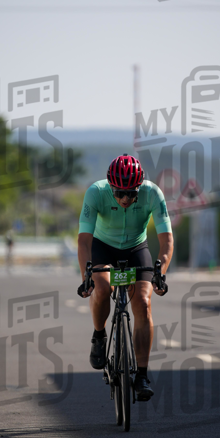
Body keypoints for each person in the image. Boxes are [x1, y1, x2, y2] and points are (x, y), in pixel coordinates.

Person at [77, 154, 173, 401]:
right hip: (103, 246)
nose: (125, 199)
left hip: (136, 248)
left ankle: (141, 375)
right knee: (102, 288)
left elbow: (166, 240)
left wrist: (160, 273)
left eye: (131, 194)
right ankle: (99, 335)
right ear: (111, 187)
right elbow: (84, 240)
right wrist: (86, 275)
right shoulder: (96, 192)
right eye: (119, 193)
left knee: (143, 302)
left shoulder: (153, 194)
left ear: (139, 188)